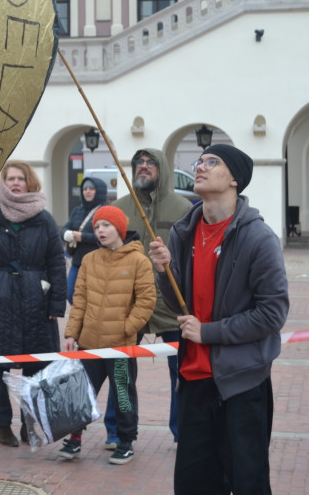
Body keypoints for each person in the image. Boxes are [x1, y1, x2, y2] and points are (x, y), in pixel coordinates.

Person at [148, 144, 289, 494]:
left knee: (247, 482)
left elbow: (273, 313)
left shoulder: (259, 238)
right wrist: (164, 272)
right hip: (194, 381)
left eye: (213, 162)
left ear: (235, 179)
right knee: (194, 484)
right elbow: (178, 305)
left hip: (241, 383)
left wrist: (209, 332)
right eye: (199, 161)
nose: (200, 166)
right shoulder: (183, 233)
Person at [0, 160, 67, 447]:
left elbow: (57, 264)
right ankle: (2, 426)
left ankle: (28, 424)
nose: (15, 183)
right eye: (10, 178)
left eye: (20, 178)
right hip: (0, 300)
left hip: (37, 301)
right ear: (3, 182)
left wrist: (56, 304)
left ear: (30, 182)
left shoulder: (44, 218)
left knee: (36, 369)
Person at [58, 205, 155, 466]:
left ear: (119, 229)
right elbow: (79, 301)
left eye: (106, 226)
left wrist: (126, 328)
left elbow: (146, 301)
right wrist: (71, 333)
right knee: (82, 393)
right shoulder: (89, 260)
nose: (100, 231)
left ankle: (125, 442)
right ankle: (75, 438)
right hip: (89, 343)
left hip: (121, 347)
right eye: (97, 226)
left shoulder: (139, 261)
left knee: (123, 395)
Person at [109, 147, 192, 448]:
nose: (143, 167)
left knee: (181, 373)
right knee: (120, 370)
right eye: (139, 163)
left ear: (163, 170)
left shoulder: (183, 208)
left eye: (150, 163)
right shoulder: (119, 208)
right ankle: (117, 430)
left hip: (171, 305)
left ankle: (182, 432)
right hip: (130, 306)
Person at [62, 176, 108, 304]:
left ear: (99, 191)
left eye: (91, 189)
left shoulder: (106, 211)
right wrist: (66, 234)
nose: (87, 191)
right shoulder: (77, 210)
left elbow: (108, 237)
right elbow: (65, 228)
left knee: (94, 299)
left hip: (98, 264)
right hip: (77, 263)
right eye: (85, 189)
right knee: (71, 294)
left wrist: (82, 237)